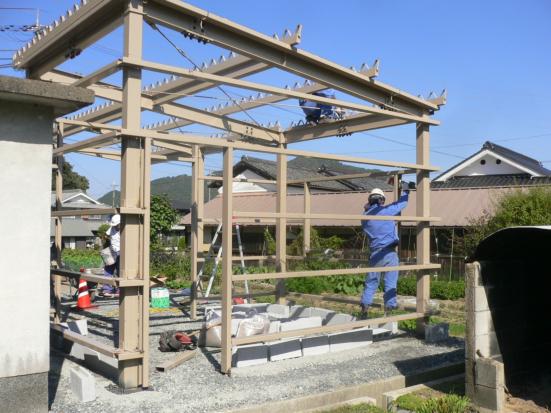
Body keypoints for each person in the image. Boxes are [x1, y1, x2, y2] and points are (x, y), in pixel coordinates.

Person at [360, 183, 414, 318]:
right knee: (390, 282)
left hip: (375, 254)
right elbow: (402, 204)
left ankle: (364, 309)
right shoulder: (387, 211)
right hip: (389, 253)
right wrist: (406, 191)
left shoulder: (364, 218)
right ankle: (388, 312)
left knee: (371, 282)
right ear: (381, 200)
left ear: (369, 200)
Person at [101, 214, 120, 298]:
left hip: (121, 251)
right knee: (108, 269)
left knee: (120, 271)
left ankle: (120, 289)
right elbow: (106, 235)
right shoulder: (111, 228)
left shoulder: (125, 229)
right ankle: (107, 289)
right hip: (112, 250)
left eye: (116, 225)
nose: (115, 226)